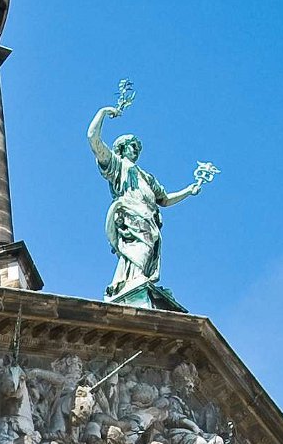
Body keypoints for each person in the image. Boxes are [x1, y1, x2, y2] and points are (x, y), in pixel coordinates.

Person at [87, 83, 217, 308]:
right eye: (132, 147)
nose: (135, 151)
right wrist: (104, 113)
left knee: (151, 241)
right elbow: (93, 138)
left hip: (149, 215)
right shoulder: (116, 165)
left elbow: (165, 199)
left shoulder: (147, 176)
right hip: (130, 211)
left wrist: (188, 190)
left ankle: (133, 280)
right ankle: (134, 281)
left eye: (137, 148)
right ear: (122, 148)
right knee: (144, 243)